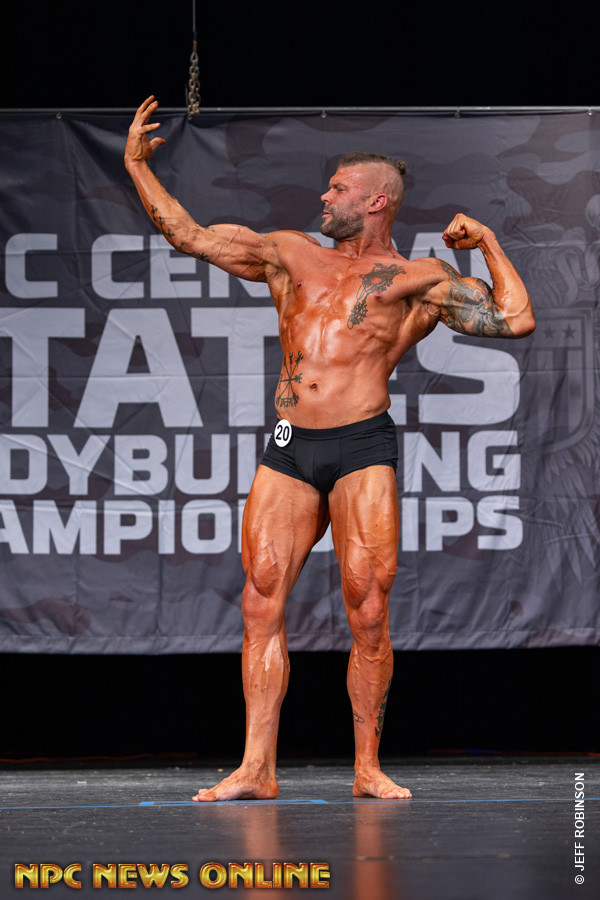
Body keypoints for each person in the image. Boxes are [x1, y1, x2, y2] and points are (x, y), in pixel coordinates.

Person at [125, 96, 535, 802]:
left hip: (361, 447)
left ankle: (368, 767)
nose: (324, 196)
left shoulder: (420, 279)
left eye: (338, 188)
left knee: (367, 608)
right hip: (289, 447)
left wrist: (489, 242)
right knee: (261, 600)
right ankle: (256, 768)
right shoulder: (290, 253)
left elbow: (515, 320)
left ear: (376, 201)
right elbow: (189, 235)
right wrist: (136, 165)